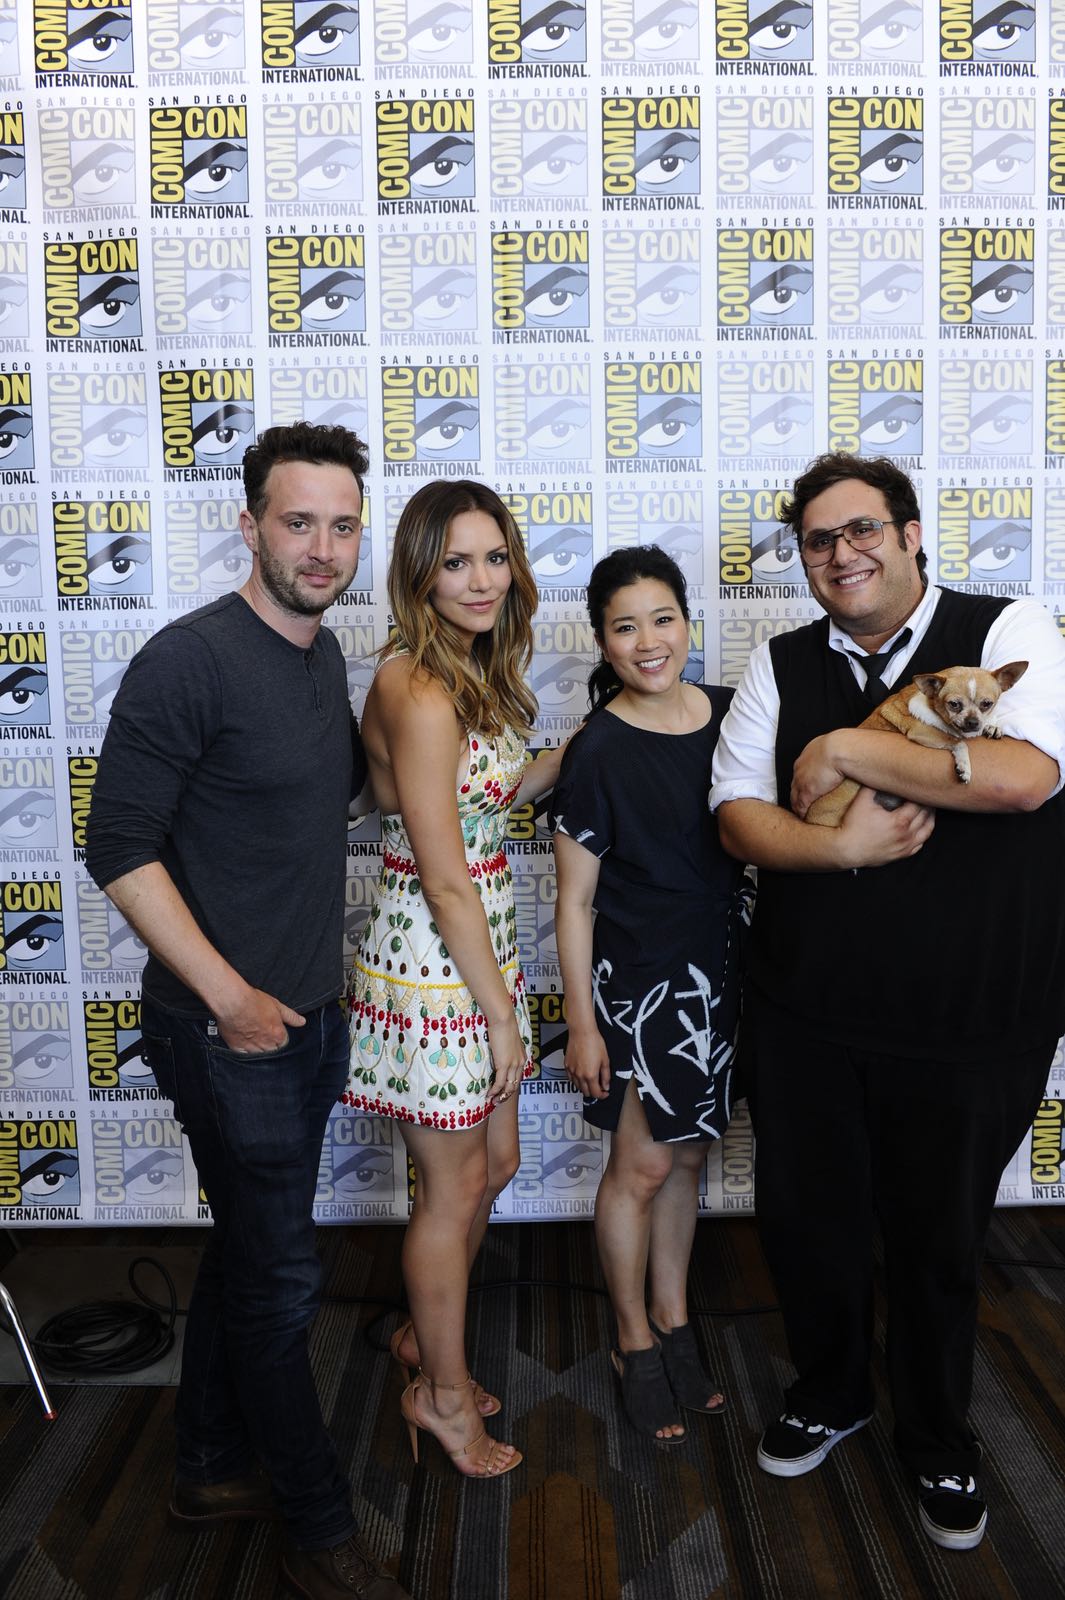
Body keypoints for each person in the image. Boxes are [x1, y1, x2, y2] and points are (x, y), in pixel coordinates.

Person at [710, 452, 1065, 1551]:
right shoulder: (779, 662)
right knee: (808, 1221)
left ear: (911, 534)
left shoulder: (1009, 629)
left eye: (862, 528)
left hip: (971, 1015)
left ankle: (938, 1436)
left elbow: (1025, 777)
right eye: (818, 540)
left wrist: (844, 747)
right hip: (806, 1010)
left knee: (938, 1236)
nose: (842, 553)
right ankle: (829, 1390)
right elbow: (736, 815)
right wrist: (837, 847)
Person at [85, 423, 410, 1600]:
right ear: (250, 524)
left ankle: (208, 1465)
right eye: (297, 521)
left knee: (249, 1251)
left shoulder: (323, 660)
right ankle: (320, 1526)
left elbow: (340, 803)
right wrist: (232, 1002)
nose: (321, 547)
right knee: (280, 1284)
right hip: (230, 1032)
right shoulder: (189, 660)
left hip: (306, 1021)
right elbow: (116, 845)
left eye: (342, 525)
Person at [343, 479, 563, 1478]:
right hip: (435, 960)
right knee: (453, 1186)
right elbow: (441, 871)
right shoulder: (419, 687)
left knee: (495, 1165)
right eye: (456, 562)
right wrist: (503, 1019)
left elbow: (488, 798)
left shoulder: (471, 669)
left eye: (494, 557)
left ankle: (421, 1341)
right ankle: (438, 1393)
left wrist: (578, 751)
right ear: (420, 575)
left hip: (478, 946)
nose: (480, 580)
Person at [551, 547, 752, 1443]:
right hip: (639, 987)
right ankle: (631, 1340)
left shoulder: (733, 715)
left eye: (662, 619)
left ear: (686, 622)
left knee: (688, 1159)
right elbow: (574, 901)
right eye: (624, 627)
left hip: (722, 972)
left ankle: (673, 1319)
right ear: (602, 641)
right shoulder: (598, 748)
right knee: (638, 1167)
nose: (648, 641)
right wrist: (581, 1026)